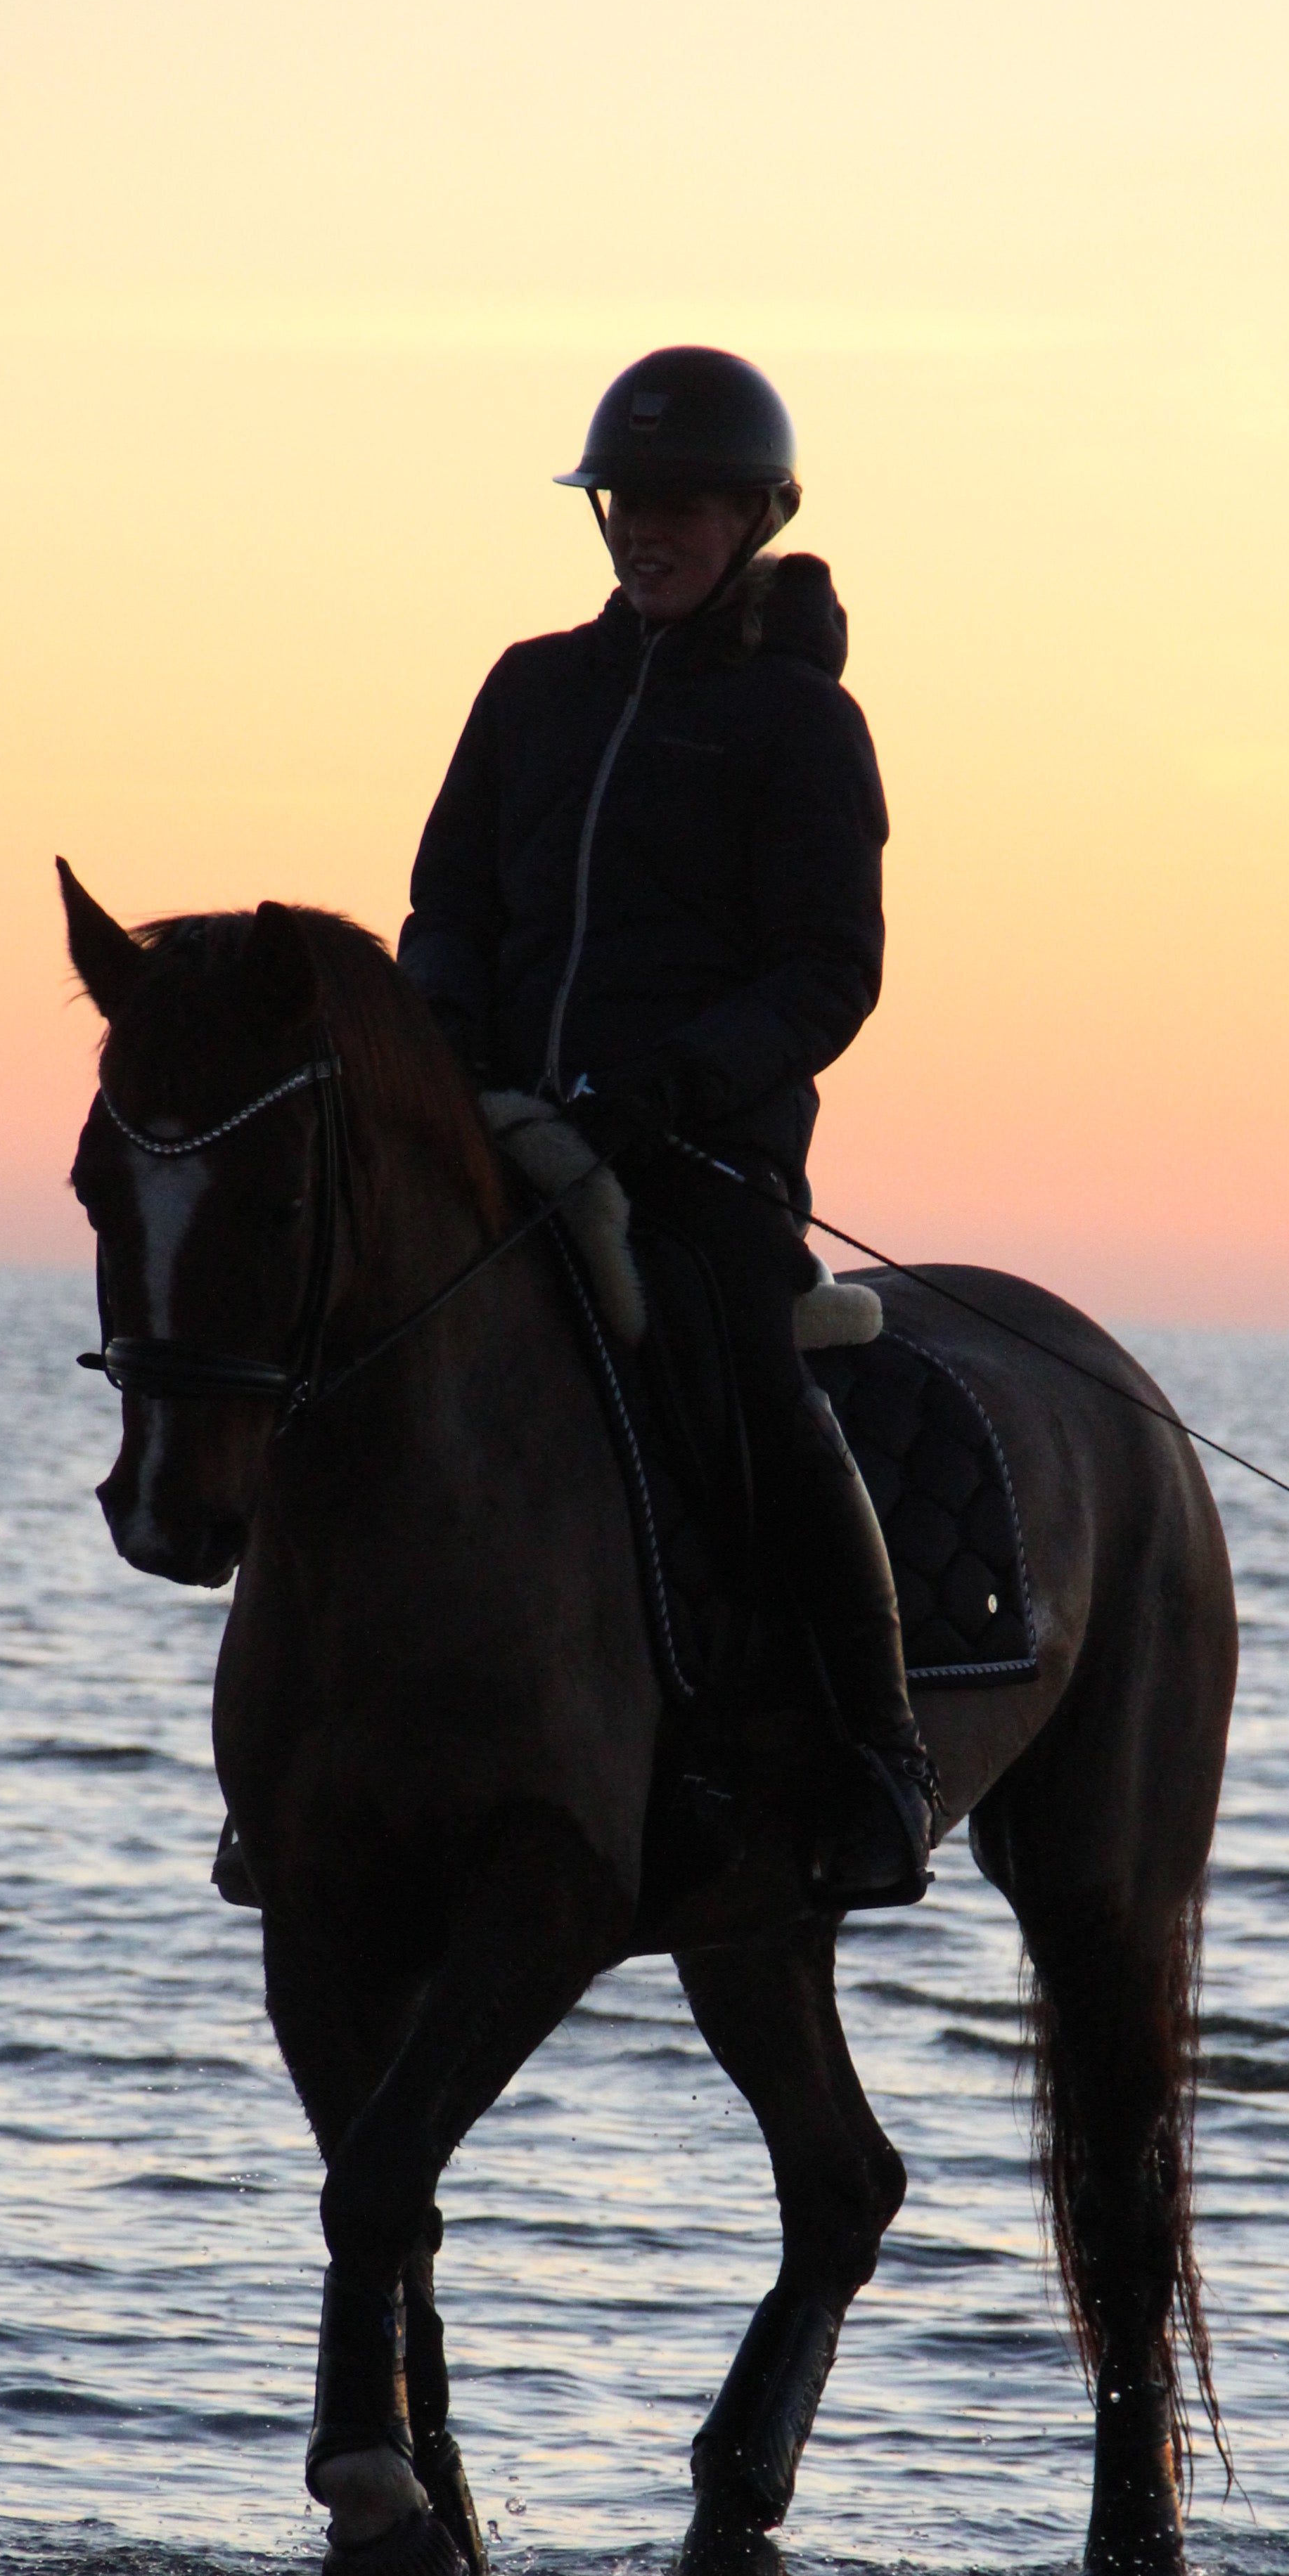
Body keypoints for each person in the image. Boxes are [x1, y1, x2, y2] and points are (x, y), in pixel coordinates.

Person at [397, 344, 939, 1907]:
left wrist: (672, 1090)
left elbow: (829, 972)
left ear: (757, 516)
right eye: (629, 498)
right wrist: (445, 1054)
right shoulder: (527, 690)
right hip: (501, 1131)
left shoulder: (799, 726)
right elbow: (449, 908)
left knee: (749, 1384)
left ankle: (881, 1750)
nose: (651, 525)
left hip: (698, 1158)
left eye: (687, 502)